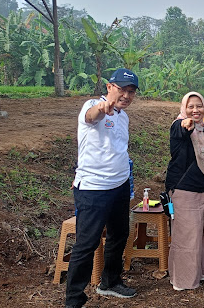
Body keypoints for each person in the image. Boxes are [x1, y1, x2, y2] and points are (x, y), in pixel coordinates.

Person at [65, 68, 139, 308]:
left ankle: (110, 281)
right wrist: (102, 108)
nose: (126, 96)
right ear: (109, 87)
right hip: (93, 189)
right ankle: (74, 300)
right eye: (122, 89)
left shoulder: (123, 117)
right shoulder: (94, 105)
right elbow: (90, 117)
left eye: (131, 92)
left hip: (119, 186)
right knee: (87, 243)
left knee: (119, 235)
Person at [166, 92, 204, 291]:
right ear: (184, 108)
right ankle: (184, 280)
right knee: (188, 236)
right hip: (184, 187)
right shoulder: (178, 125)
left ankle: (203, 272)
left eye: (199, 106)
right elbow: (182, 130)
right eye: (191, 106)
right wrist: (186, 124)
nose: (195, 110)